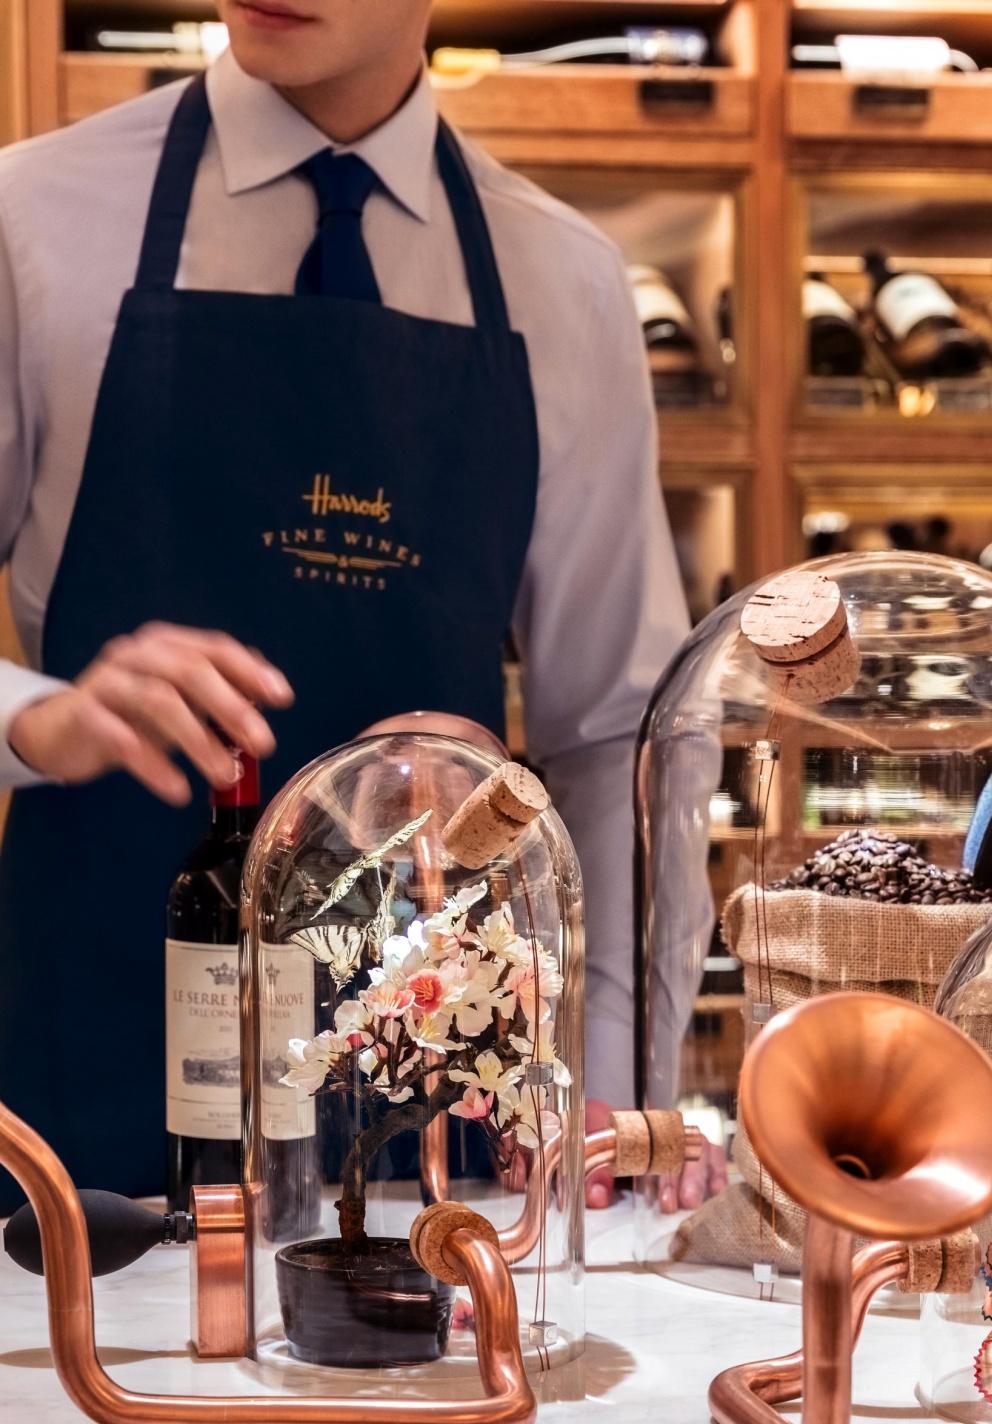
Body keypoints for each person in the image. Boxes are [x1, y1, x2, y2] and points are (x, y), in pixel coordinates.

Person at [0, 0, 700, 1211]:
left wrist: (600, 1078)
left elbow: (614, 739)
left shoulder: (564, 277)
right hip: (94, 1058)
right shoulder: (29, 219)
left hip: (441, 1090)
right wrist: (36, 717)